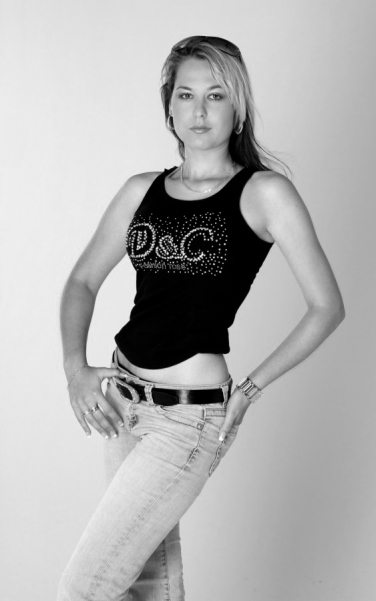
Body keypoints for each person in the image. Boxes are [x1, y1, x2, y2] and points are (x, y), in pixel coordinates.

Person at [57, 35, 345, 601]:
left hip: (187, 421)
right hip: (122, 403)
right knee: (147, 581)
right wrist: (75, 368)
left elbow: (326, 307)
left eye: (216, 95)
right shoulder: (141, 190)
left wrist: (250, 389)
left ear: (238, 107)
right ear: (169, 106)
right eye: (186, 95)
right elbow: (82, 281)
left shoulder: (264, 193)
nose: (199, 110)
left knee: (84, 587)